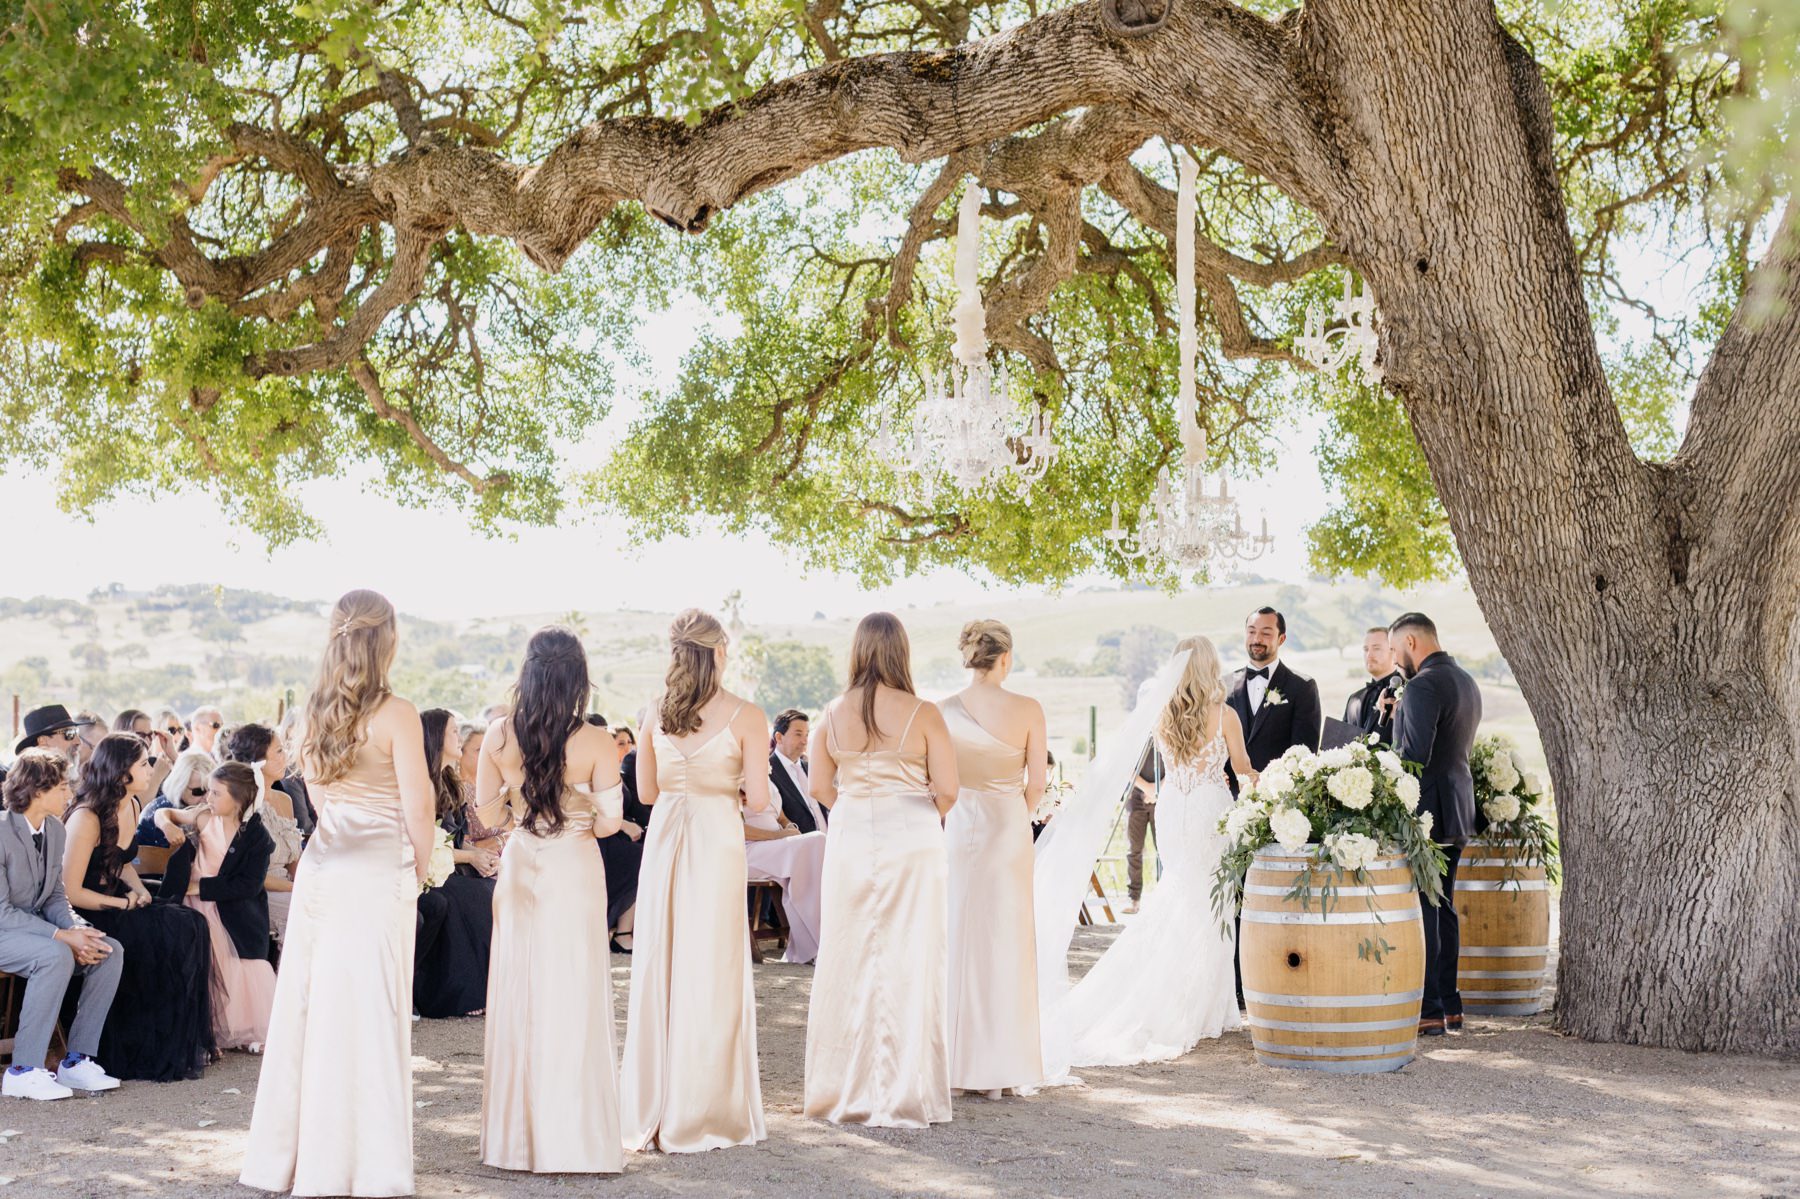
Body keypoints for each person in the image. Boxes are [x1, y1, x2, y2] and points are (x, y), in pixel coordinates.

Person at [241, 589, 437, 1197]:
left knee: (309, 1010)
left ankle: (292, 1159)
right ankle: (368, 1165)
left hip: (325, 867)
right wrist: (420, 870)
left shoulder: (313, 712)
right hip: (376, 870)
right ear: (387, 639)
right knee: (370, 1012)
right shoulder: (397, 712)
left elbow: (323, 804)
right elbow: (419, 802)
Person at [1043, 636, 1253, 1068]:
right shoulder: (1225, 715)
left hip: (1174, 810)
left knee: (1181, 894)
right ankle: (1205, 1007)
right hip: (1211, 810)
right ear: (1210, 667)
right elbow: (1243, 769)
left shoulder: (1163, 715)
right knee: (1211, 906)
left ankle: (1182, 995)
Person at [620, 609, 770, 1154]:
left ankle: (655, 1103)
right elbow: (758, 801)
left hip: (666, 838)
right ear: (720, 651)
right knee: (711, 963)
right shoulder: (747, 715)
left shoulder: (655, 712)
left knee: (662, 958)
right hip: (714, 838)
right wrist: (723, 788)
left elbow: (647, 793)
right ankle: (705, 1105)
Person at [804, 612, 959, 1128]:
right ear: (901, 652)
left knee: (848, 954)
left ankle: (840, 1086)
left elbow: (820, 788)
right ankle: (904, 1086)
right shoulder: (925, 713)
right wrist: (914, 813)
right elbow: (950, 790)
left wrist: (858, 807)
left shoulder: (830, 713)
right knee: (910, 954)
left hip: (851, 836)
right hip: (912, 836)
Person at [479, 628, 625, 1173]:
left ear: (530, 673)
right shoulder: (596, 741)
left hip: (521, 864)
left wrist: (517, 795)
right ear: (577, 679)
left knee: (521, 988)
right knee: (573, 987)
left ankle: (515, 1141)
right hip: (574, 866)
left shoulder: (498, 734)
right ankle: (573, 1135)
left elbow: (489, 819)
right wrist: (583, 801)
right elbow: (610, 824)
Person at [60, 734, 215, 1081]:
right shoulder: (86, 817)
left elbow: (121, 860)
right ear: (121, 771)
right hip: (88, 911)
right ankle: (128, 1047)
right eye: (143, 763)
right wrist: (123, 901)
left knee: (190, 924)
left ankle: (164, 1044)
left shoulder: (130, 803)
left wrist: (139, 889)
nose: (151, 769)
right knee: (160, 935)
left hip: (118, 899)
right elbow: (70, 891)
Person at [940, 619, 1046, 1097]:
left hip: (960, 828)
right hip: (1007, 829)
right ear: (1006, 658)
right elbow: (1038, 786)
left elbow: (937, 784)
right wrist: (1013, 821)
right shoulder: (1028, 709)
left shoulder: (940, 711)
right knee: (1005, 943)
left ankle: (954, 1065)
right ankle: (999, 1070)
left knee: (958, 936)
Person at [0, 749, 122, 1101]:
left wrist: (79, 928)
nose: (70, 793)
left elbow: (55, 895)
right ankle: (23, 1070)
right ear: (38, 790)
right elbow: (3, 912)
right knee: (55, 954)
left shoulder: (55, 828)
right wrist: (61, 935)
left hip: (33, 930)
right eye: (63, 786)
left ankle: (77, 1061)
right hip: (7, 931)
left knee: (109, 950)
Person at [1389, 611, 1482, 1037]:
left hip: (1429, 809)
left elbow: (1413, 755)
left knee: (1427, 906)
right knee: (1443, 905)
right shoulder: (1466, 681)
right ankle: (1449, 1004)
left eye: (1394, 650)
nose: (1394, 661)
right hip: (1459, 807)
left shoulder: (1423, 685)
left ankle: (1427, 1008)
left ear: (1411, 642)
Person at [160, 762, 277, 1052]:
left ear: (239, 799)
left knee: (239, 960)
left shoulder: (257, 837)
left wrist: (201, 887)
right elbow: (165, 812)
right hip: (195, 908)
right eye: (208, 791)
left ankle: (243, 1028)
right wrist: (165, 824)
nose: (207, 798)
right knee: (205, 948)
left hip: (234, 907)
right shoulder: (202, 817)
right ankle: (205, 1029)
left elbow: (249, 884)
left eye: (216, 793)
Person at [413, 708, 496, 1019]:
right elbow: (427, 843)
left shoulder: (450, 780)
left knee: (489, 887)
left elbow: (455, 839)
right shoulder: (422, 783)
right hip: (427, 873)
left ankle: (487, 988)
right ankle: (453, 994)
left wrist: (479, 855)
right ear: (436, 738)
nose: (458, 738)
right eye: (452, 732)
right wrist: (471, 856)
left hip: (449, 866)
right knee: (474, 897)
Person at [219, 724, 303, 940]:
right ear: (259, 758)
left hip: (289, 888)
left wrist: (307, 882)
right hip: (257, 893)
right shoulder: (240, 803)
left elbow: (294, 860)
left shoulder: (284, 800)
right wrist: (295, 888)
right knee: (310, 915)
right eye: (279, 751)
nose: (285, 756)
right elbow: (246, 873)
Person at [1226, 607, 1323, 782]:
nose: (1257, 639)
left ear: (1282, 639)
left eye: (1266, 633)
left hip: (1278, 797)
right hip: (1228, 795)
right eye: (1251, 632)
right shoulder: (1223, 686)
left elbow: (1304, 751)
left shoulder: (1302, 687)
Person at [741, 786, 826, 964]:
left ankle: (815, 943)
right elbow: (736, 827)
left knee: (813, 850)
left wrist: (789, 827)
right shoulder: (734, 776)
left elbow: (780, 817)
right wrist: (778, 835)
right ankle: (817, 944)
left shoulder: (768, 779)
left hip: (774, 847)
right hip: (747, 851)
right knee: (817, 841)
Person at [768, 709, 826, 833]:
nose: (804, 741)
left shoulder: (812, 768)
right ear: (779, 737)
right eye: (798, 734)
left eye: (806, 735)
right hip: (798, 846)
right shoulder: (767, 770)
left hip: (830, 843)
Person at [1345, 626, 1404, 745]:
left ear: (1393, 651)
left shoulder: (1407, 693)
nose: (1369, 655)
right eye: (1366, 649)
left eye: (1376, 649)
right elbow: (1342, 745)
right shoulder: (1353, 699)